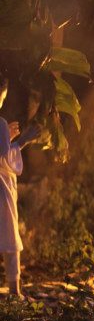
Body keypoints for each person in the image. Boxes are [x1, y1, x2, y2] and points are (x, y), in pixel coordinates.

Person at [0, 89, 40, 297]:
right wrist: (24, 140)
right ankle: (14, 290)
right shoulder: (0, 123)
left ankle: (14, 289)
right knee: (9, 234)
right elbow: (4, 159)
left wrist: (10, 138)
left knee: (7, 233)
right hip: (2, 188)